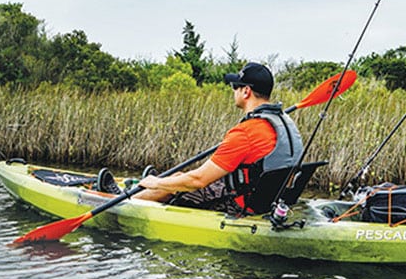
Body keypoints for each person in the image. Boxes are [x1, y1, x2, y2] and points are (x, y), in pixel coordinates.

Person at [96, 62, 303, 215]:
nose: (233, 92)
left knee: (174, 186)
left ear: (246, 91)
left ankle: (117, 203)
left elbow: (198, 181)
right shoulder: (285, 124)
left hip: (240, 205)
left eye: (235, 87)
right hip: (268, 200)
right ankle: (139, 189)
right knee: (178, 176)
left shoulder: (245, 132)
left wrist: (156, 183)